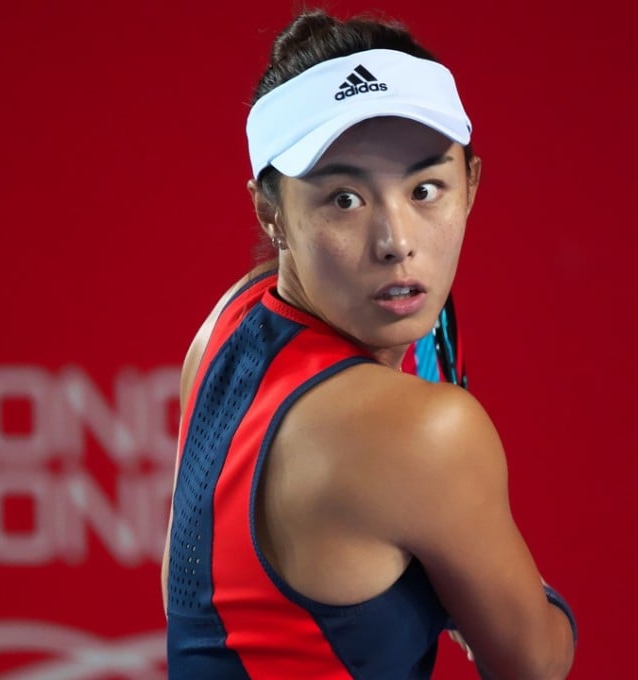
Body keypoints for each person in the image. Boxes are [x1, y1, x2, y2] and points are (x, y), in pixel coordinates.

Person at [160, 9, 577, 679]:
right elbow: (535, 663)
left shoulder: (228, 323)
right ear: (271, 212)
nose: (397, 241)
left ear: (470, 185)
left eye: (425, 189)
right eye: (345, 200)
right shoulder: (423, 434)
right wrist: (522, 599)